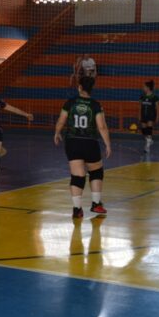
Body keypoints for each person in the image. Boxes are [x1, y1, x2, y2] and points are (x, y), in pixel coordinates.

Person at [54, 75, 112, 219]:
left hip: (72, 142)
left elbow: (61, 120)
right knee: (96, 171)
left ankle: (77, 209)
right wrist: (107, 144)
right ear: (92, 88)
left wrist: (57, 132)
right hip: (89, 142)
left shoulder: (70, 102)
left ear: (79, 87)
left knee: (77, 176)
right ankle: (96, 203)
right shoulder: (95, 105)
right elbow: (102, 126)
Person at [139, 80, 159, 152]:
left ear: (148, 88)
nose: (143, 88)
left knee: (149, 129)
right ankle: (149, 140)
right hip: (143, 115)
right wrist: (139, 115)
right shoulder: (142, 97)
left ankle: (147, 147)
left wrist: (157, 117)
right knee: (143, 130)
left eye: (144, 87)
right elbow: (140, 107)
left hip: (151, 116)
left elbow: (157, 108)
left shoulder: (154, 97)